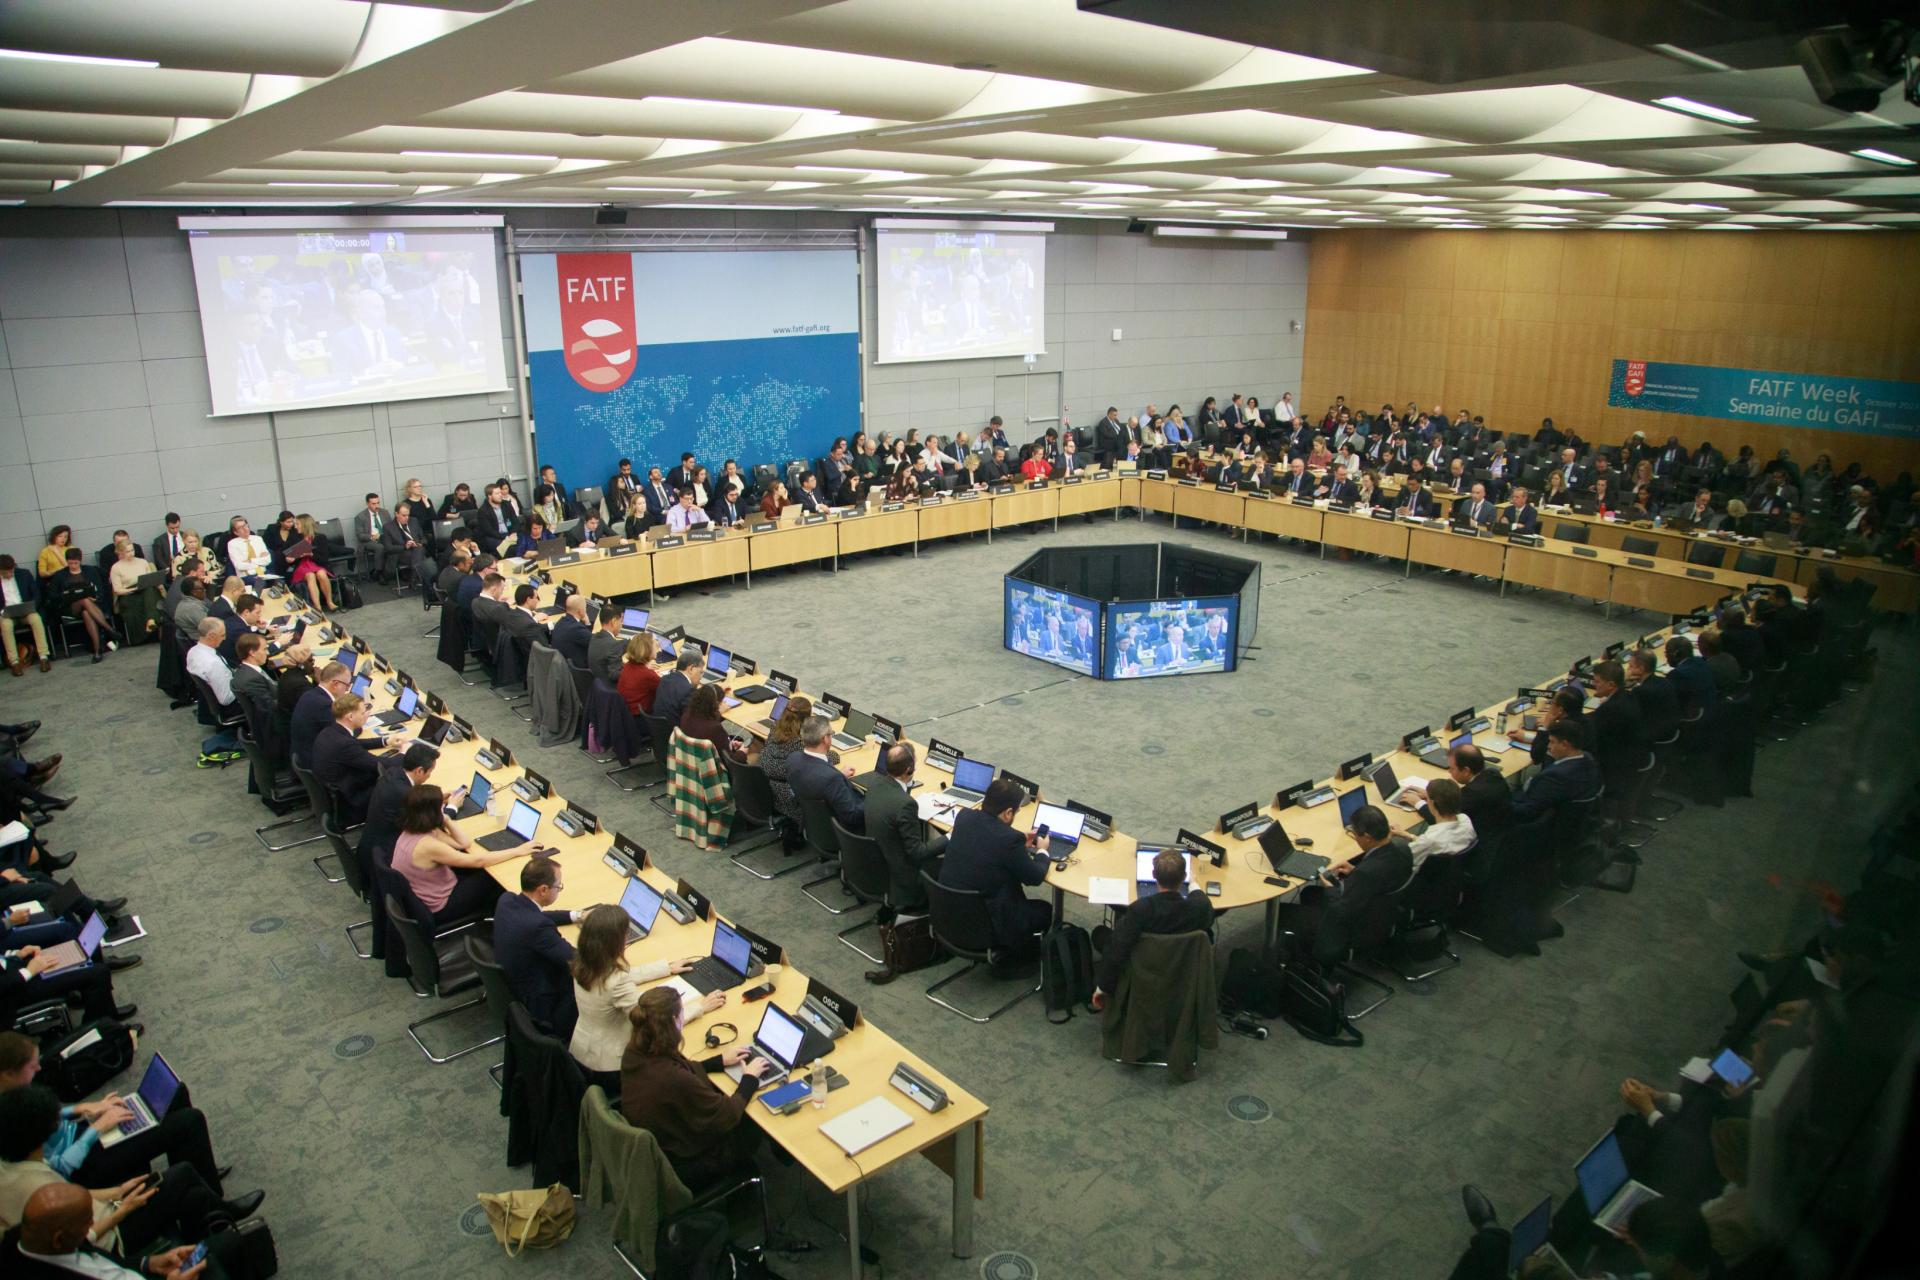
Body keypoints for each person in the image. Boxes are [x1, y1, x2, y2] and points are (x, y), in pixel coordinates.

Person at [0, 1033, 231, 1197]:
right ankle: (214, 1207)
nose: (39, 1070)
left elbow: (49, 1112)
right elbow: (58, 1172)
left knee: (175, 1093)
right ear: (9, 1073)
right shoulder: (10, 1121)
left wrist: (84, 1108)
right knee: (190, 1121)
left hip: (81, 1135)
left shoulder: (15, 1093)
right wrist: (96, 1129)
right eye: (32, 1067)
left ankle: (200, 1174)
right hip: (86, 1166)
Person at [619, 987, 768, 1190]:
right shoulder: (673, 1079)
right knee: (754, 1120)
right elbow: (727, 1115)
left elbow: (681, 1072)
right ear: (674, 1021)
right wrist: (749, 1078)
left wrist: (718, 1061)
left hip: (662, 1142)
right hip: (689, 1161)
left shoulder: (635, 1050)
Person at [568, 905, 715, 1093]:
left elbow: (619, 976)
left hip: (581, 1051)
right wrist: (699, 1007)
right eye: (625, 933)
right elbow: (654, 1023)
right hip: (611, 1067)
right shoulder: (617, 982)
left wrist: (666, 968)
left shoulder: (582, 962)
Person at [1280, 804, 1413, 965]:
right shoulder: (1403, 849)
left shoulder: (1366, 873)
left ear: (1367, 837)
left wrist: (1330, 888)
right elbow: (1384, 878)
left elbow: (1340, 912)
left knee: (1282, 913)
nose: (1354, 838)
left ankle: (1304, 962)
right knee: (1310, 893)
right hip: (1381, 917)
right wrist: (1355, 870)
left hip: (1353, 928)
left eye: (1354, 834)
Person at [940, 778, 1050, 962]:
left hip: (950, 913)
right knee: (1045, 910)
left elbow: (986, 838)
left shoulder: (964, 816)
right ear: (1008, 813)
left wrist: (1019, 838)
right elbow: (1035, 877)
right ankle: (1019, 960)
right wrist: (1042, 851)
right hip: (988, 925)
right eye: (1016, 812)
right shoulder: (1009, 840)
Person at [1091, 848, 1213, 1007]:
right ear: (1184, 877)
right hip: (1180, 966)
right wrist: (1194, 885)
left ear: (1153, 875)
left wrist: (1102, 987)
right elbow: (1204, 904)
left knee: (1100, 934)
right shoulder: (1197, 909)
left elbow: (1117, 950)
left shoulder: (1140, 909)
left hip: (1143, 967)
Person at [390, 783, 525, 926]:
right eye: (441, 805)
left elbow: (463, 844)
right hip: (440, 907)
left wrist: (446, 819)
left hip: (428, 892)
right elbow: (478, 861)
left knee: (481, 871)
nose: (444, 806)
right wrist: (518, 850)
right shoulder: (427, 845)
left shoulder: (413, 828)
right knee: (493, 875)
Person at [492, 856, 584, 1039]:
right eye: (558, 887)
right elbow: (576, 959)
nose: (559, 890)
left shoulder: (507, 900)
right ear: (543, 889)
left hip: (512, 983)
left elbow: (537, 915)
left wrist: (576, 915)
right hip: (540, 998)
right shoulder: (537, 928)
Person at [858, 742, 947, 922]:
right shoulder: (906, 805)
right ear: (909, 769)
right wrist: (949, 837)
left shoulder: (875, 784)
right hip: (902, 875)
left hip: (877, 862)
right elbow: (918, 852)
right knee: (949, 863)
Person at [310, 693, 389, 824]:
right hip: (352, 802)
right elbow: (379, 764)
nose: (368, 714)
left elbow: (354, 743)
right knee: (396, 783)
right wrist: (406, 755)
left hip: (338, 792)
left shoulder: (329, 731)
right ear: (350, 717)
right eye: (364, 712)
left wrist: (385, 741)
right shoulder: (344, 744)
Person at [1508, 719, 1602, 822]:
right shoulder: (1588, 759)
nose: (1548, 746)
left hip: (1540, 823)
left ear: (1565, 745)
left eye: (1552, 742)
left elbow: (1528, 810)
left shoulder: (1556, 776)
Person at [181, 618, 245, 761]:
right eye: (222, 635)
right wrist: (245, 684)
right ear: (211, 635)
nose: (225, 638)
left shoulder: (193, 652)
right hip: (232, 705)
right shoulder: (213, 664)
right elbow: (227, 698)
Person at [787, 717, 863, 832]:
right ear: (825, 739)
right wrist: (874, 800)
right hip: (841, 832)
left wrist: (839, 774)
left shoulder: (793, 759)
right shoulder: (831, 778)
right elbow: (852, 817)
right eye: (831, 734)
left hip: (815, 826)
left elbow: (816, 777)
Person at [1586, 659, 1649, 792]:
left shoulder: (1612, 707)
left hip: (1618, 761)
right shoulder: (1628, 695)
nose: (1594, 685)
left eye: (1597, 682)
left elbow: (1592, 730)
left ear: (1611, 685)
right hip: (1636, 752)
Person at [43, 551, 114, 662]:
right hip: (70, 608)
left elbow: (100, 589)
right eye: (70, 563)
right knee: (84, 600)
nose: (73, 566)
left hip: (92, 607)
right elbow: (52, 595)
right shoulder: (60, 575)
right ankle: (109, 629)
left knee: (86, 612)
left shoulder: (90, 571)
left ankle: (97, 651)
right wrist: (65, 594)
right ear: (67, 562)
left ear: (80, 561)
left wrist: (96, 597)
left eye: (76, 563)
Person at [757, 695, 812, 835]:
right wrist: (833, 754)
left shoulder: (775, 727)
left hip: (766, 788)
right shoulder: (799, 742)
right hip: (788, 798)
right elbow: (816, 759)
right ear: (807, 719)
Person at [1402, 777, 1476, 871]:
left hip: (1421, 879)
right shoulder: (1465, 820)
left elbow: (1404, 858)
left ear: (1432, 803)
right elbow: (1436, 844)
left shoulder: (1430, 839)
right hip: (1453, 874)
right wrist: (1408, 835)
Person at [289, 660, 350, 768]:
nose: (347, 690)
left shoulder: (310, 694)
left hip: (304, 753)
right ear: (335, 684)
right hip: (318, 763)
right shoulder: (324, 705)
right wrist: (358, 724)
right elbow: (343, 735)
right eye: (346, 686)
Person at [0, 557, 50, 676]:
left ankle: (44, 656)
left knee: (36, 619)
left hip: (26, 611)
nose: (10, 574)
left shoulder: (24, 574)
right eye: (6, 572)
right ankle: (15, 662)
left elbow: (36, 594)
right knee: (5, 626)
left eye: (11, 571)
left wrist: (32, 606)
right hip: (6, 614)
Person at [105, 543, 161, 644]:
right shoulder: (116, 567)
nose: (131, 553)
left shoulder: (143, 562)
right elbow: (117, 589)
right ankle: (147, 626)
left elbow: (149, 579)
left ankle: (151, 620)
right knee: (145, 598)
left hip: (145, 590)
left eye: (132, 550)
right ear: (121, 553)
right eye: (127, 551)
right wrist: (132, 590)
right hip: (128, 594)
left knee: (149, 590)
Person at [678, 683, 745, 765]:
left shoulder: (686, 715)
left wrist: (728, 743)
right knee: (755, 751)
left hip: (691, 763)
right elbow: (731, 761)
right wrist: (743, 751)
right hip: (712, 771)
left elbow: (705, 726)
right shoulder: (714, 728)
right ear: (716, 704)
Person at [653, 648, 703, 727]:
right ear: (691, 669)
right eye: (701, 672)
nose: (701, 677)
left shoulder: (665, 679)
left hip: (658, 730)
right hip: (676, 735)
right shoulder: (688, 690)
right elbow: (696, 720)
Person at [615, 632, 660, 717]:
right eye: (655, 645)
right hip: (639, 719)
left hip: (625, 715)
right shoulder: (648, 675)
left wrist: (646, 665)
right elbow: (664, 689)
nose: (658, 648)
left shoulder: (627, 666)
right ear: (647, 650)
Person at [585, 604, 625, 686]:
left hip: (598, 687)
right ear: (614, 622)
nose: (622, 625)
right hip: (611, 690)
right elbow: (616, 675)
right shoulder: (613, 645)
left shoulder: (594, 638)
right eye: (621, 621)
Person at [550, 594, 591, 669]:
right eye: (585, 607)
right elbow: (593, 642)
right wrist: (588, 623)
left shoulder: (560, 621)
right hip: (578, 670)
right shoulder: (577, 629)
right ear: (580, 611)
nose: (586, 610)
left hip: (561, 666)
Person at [224, 517, 270, 585]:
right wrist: (259, 560)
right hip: (246, 575)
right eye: (240, 528)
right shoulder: (232, 544)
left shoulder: (258, 539)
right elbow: (239, 566)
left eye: (245, 525)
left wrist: (250, 561)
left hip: (263, 572)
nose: (245, 529)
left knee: (279, 582)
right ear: (236, 532)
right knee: (260, 583)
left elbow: (268, 560)